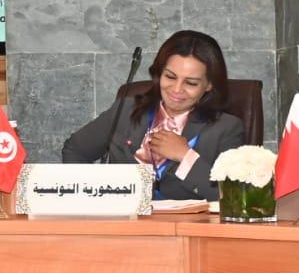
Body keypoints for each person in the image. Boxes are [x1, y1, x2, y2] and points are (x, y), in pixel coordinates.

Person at [62, 30, 246, 201]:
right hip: (123, 221)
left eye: (190, 83)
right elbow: (75, 150)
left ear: (209, 85)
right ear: (159, 73)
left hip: (184, 224)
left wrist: (185, 156)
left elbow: (233, 195)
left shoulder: (226, 128)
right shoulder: (125, 110)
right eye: (170, 77)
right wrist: (91, 196)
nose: (176, 89)